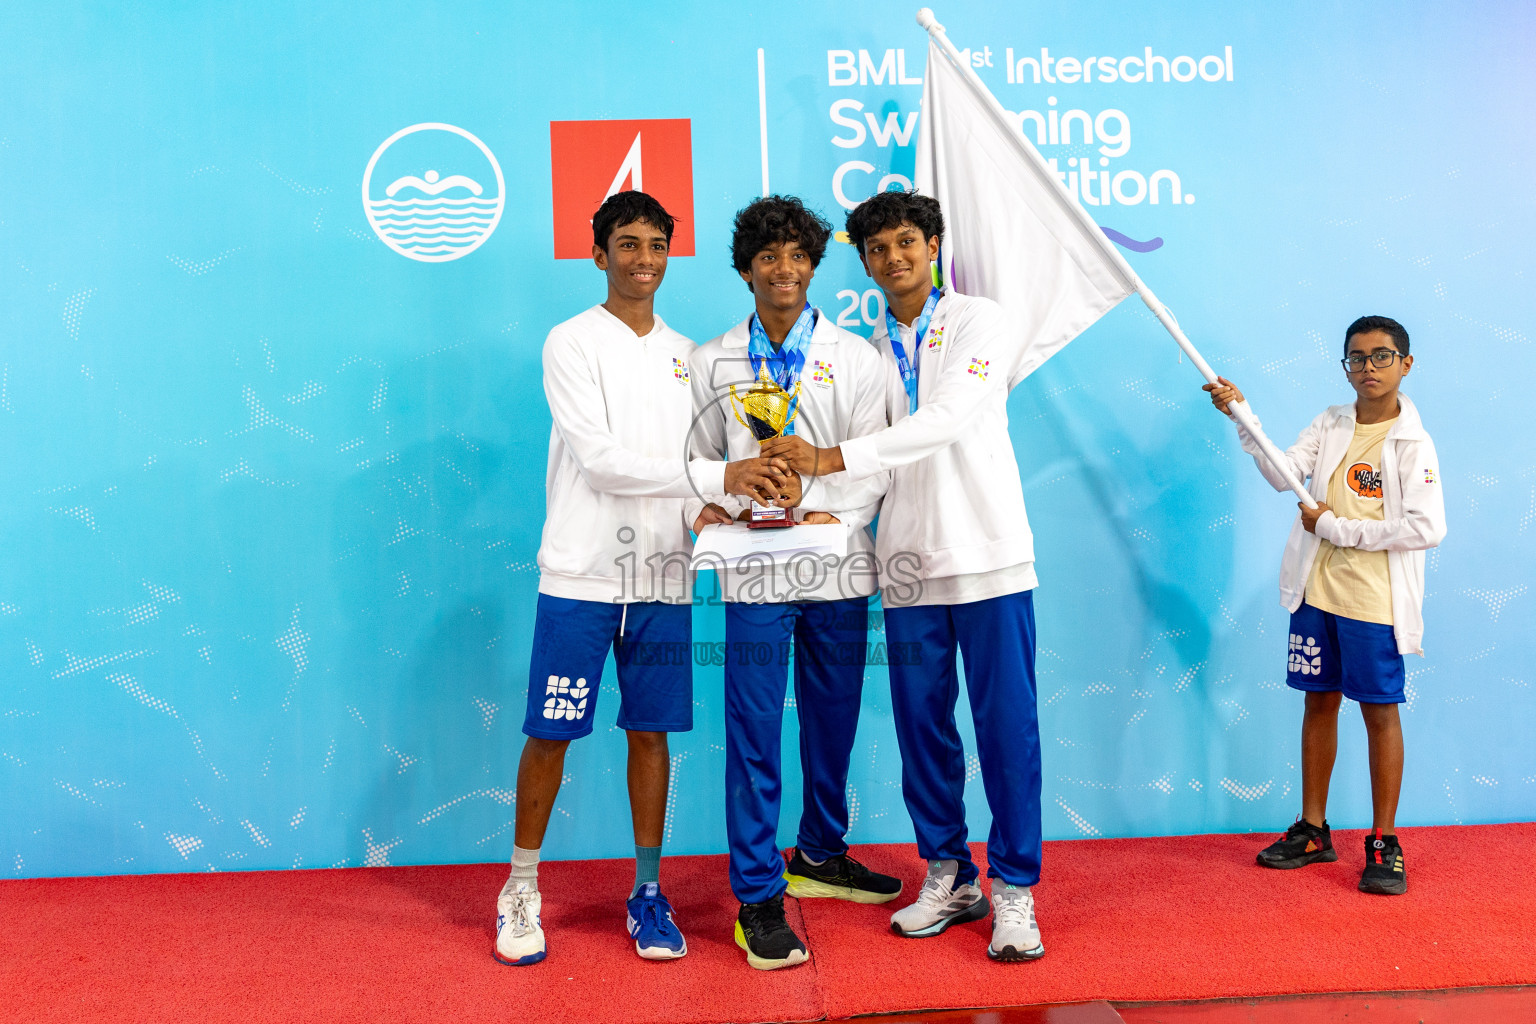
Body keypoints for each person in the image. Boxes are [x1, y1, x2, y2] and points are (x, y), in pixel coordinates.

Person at [494, 191, 790, 966]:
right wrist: (724, 473)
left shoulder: (689, 355)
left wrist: (742, 498)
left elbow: (701, 469)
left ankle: (648, 893)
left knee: (651, 732)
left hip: (662, 577)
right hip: (581, 575)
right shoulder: (570, 342)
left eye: (657, 244)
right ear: (599, 254)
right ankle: (521, 886)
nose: (644, 258)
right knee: (550, 733)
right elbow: (602, 462)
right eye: (628, 244)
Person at [762, 190, 1046, 962]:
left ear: (933, 246)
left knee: (1006, 731)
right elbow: (868, 477)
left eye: (905, 244)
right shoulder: (868, 353)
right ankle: (949, 874)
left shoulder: (981, 323)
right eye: (877, 249)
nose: (893, 259)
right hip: (909, 568)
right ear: (863, 261)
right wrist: (800, 507)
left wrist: (829, 460)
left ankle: (1015, 891)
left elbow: (947, 417)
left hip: (989, 556)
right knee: (925, 732)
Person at [687, 195, 901, 970]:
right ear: (746, 269)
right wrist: (733, 498)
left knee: (832, 719)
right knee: (752, 730)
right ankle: (756, 895)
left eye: (798, 257)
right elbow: (697, 463)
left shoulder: (861, 358)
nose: (785, 270)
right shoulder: (711, 360)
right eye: (768, 257)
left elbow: (876, 460)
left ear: (815, 266)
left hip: (836, 560)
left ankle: (818, 854)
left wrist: (815, 503)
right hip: (752, 568)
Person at [1203, 315, 1445, 896]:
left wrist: (1336, 526)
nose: (1368, 368)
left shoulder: (1413, 442)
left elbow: (1426, 527)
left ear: (1406, 364)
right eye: (1357, 358)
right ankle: (1313, 829)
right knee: (1318, 703)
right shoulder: (1331, 422)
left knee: (1379, 713)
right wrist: (1244, 417)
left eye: (1382, 357)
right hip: (1316, 593)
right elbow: (1281, 474)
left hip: (1374, 602)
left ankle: (1385, 842)